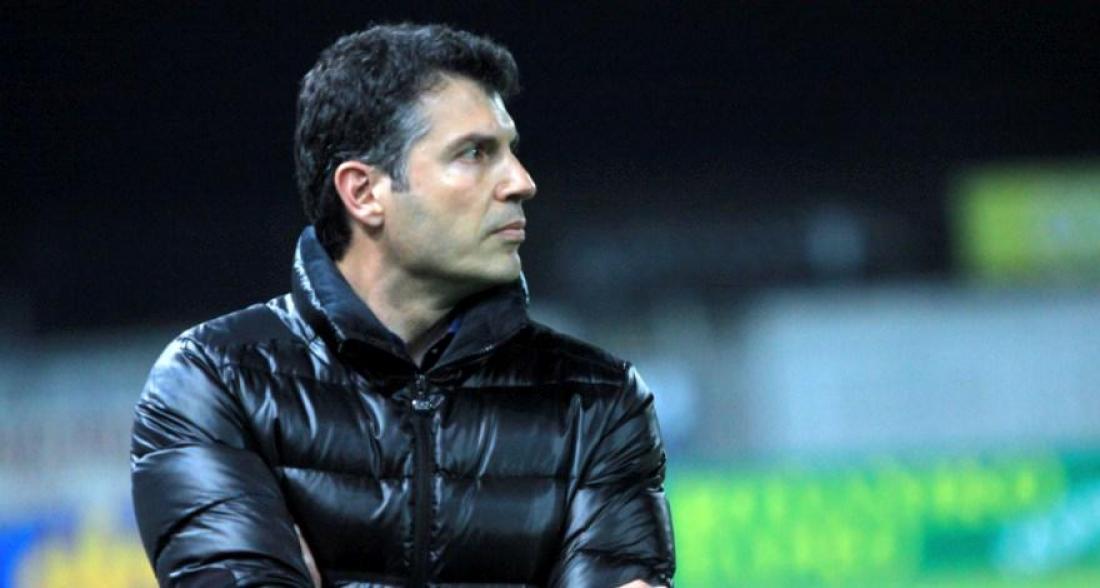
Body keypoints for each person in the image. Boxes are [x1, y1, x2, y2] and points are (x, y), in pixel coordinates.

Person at [131, 23, 674, 588]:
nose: (521, 182)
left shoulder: (599, 401)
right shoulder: (216, 381)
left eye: (510, 150)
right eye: (474, 153)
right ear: (364, 192)